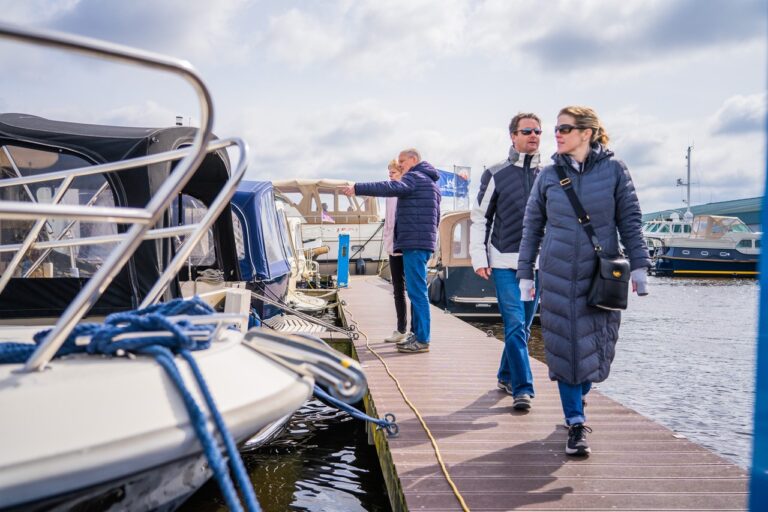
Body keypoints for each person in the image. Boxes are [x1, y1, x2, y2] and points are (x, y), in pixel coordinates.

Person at [516, 106, 650, 456]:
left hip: (601, 276)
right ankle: (575, 423)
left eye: (564, 128)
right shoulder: (548, 175)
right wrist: (525, 273)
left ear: (587, 133)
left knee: (594, 350)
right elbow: (532, 227)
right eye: (556, 128)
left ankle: (580, 398)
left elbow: (631, 221)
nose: (556, 133)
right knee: (565, 349)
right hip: (557, 275)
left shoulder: (615, 171)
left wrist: (640, 267)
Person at [470, 113, 543, 411]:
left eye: (538, 131)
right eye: (527, 131)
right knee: (514, 324)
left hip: (536, 266)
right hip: (502, 261)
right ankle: (523, 388)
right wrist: (479, 257)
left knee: (522, 328)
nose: (534, 135)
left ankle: (504, 375)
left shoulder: (549, 175)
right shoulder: (496, 173)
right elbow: (479, 218)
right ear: (513, 136)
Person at [340, 149, 440, 353]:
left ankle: (422, 339)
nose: (400, 165)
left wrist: (357, 188)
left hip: (414, 243)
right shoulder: (431, 183)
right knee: (417, 291)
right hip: (423, 242)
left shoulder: (414, 177)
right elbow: (436, 217)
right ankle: (418, 334)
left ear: (413, 160)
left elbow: (389, 186)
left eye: (402, 161)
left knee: (417, 292)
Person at [382, 159, 410, 343]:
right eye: (389, 172)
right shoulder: (389, 194)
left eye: (393, 172)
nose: (390, 175)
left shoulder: (406, 191)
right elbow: (389, 220)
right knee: (397, 289)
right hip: (393, 247)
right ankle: (401, 329)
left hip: (407, 246)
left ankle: (414, 331)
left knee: (414, 290)